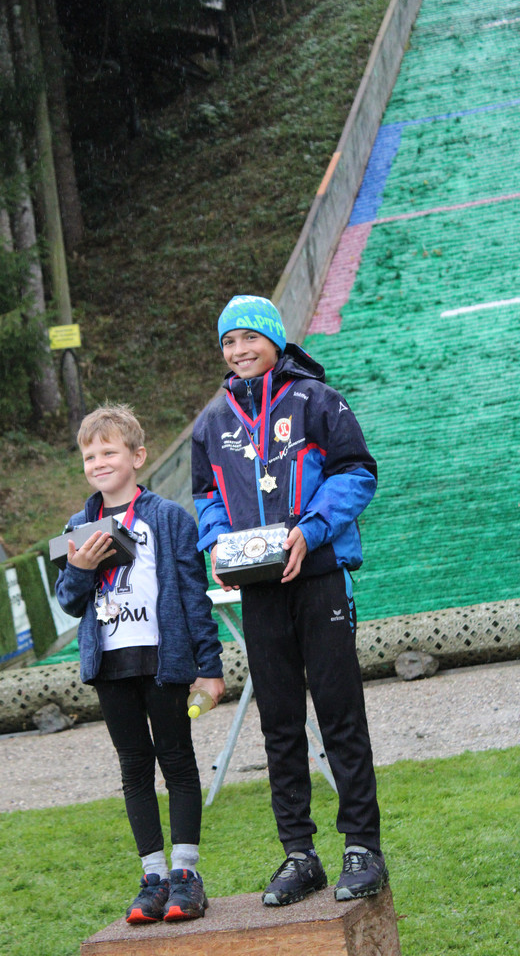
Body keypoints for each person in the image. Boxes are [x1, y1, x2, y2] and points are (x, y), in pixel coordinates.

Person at [191, 295, 388, 906]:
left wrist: (312, 528)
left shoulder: (318, 401)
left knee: (338, 713)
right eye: (229, 342)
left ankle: (363, 848)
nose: (239, 350)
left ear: (276, 340)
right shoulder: (211, 423)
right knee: (278, 722)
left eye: (250, 338)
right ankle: (299, 855)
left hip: (321, 575)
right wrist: (217, 542)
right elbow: (206, 496)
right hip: (259, 589)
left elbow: (357, 472)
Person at [55, 403, 225, 925]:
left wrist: (210, 666)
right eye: (90, 455)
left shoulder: (169, 519)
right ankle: (152, 877)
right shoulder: (78, 524)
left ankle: (186, 875)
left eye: (109, 451)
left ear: (138, 456)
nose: (98, 462)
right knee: (134, 768)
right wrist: (81, 570)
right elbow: (67, 600)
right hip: (110, 664)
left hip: (163, 659)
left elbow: (195, 598)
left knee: (175, 761)